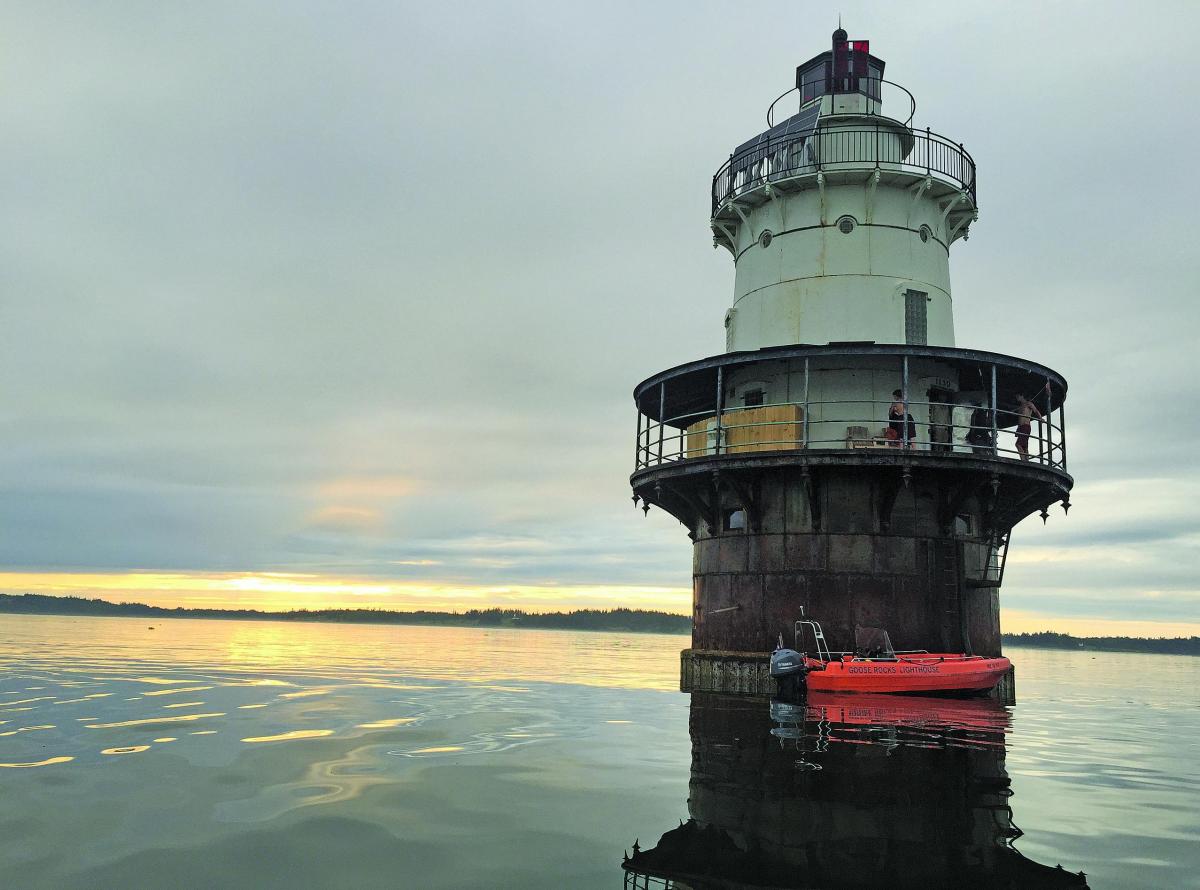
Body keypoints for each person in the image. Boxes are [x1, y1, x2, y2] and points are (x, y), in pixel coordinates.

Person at [1013, 393, 1044, 461]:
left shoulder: (1028, 404)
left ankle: (1023, 461)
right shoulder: (1020, 406)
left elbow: (1036, 411)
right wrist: (1018, 428)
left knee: (1018, 444)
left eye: (1018, 395)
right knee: (1024, 446)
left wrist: (1040, 418)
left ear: (1022, 395)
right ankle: (1027, 460)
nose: (1017, 397)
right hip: (1021, 427)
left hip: (1026, 426)